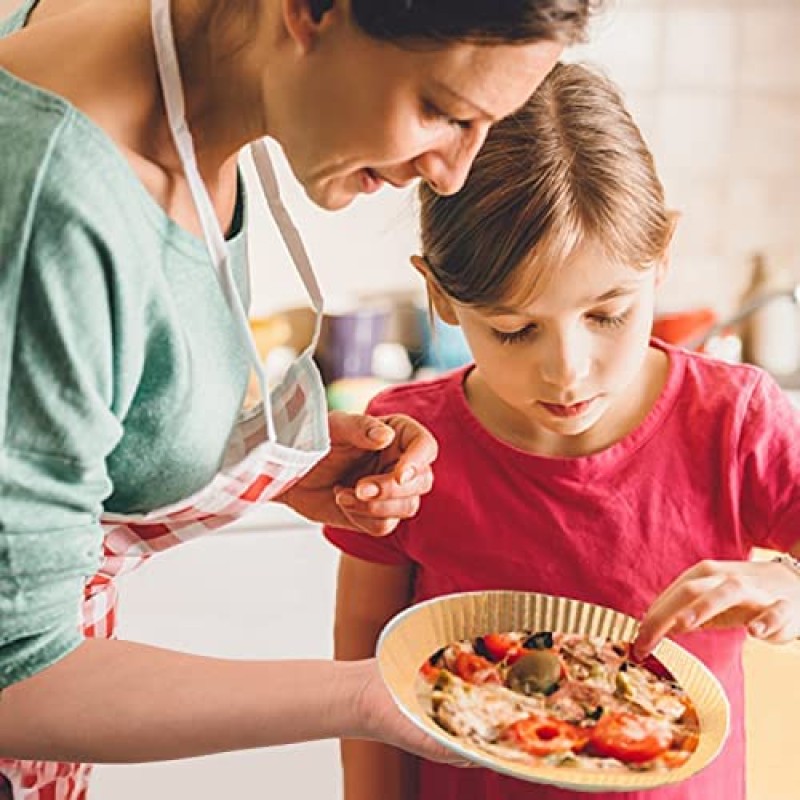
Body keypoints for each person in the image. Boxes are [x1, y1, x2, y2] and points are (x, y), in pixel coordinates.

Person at [0, 0, 601, 796]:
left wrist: (277, 469)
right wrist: (371, 695)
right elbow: (17, 679)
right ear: (313, 11)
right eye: (443, 111)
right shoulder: (54, 202)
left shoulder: (193, 75)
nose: (452, 172)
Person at [325, 62, 800, 800]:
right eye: (515, 330)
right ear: (442, 298)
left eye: (607, 314)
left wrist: (786, 584)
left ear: (663, 256)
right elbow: (363, 671)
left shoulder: (733, 421)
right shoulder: (408, 443)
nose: (568, 373)